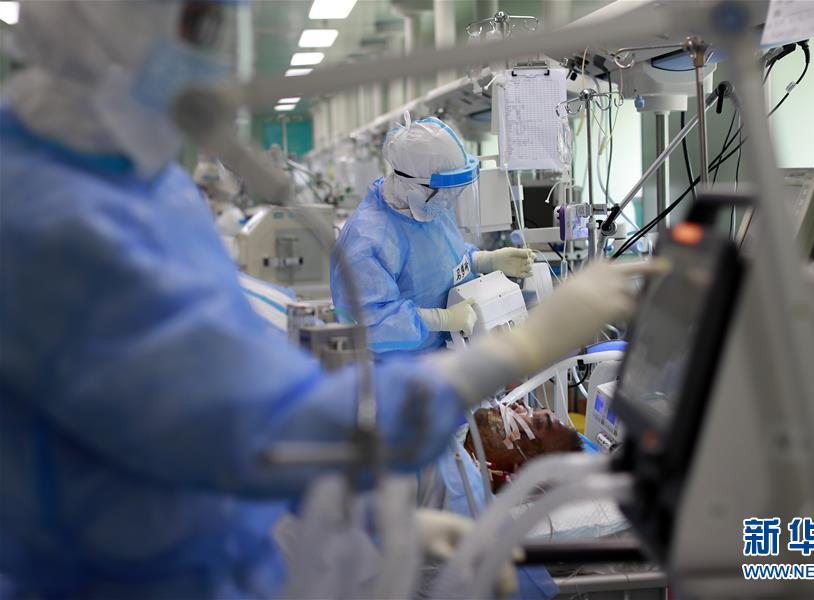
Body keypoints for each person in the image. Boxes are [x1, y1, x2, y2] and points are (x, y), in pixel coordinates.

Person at [0, 1, 662, 597]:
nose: (212, 57)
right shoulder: (51, 225)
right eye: (199, 23)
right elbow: (269, 424)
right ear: (105, 25)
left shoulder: (149, 187)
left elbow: (221, 413)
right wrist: (523, 346)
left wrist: (371, 516)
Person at [331, 113, 536, 359]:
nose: (449, 201)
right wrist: (442, 319)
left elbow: (444, 259)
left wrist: (485, 260)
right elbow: (371, 321)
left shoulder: (429, 207)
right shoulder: (367, 240)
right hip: (397, 370)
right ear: (413, 185)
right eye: (445, 191)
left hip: (448, 354)